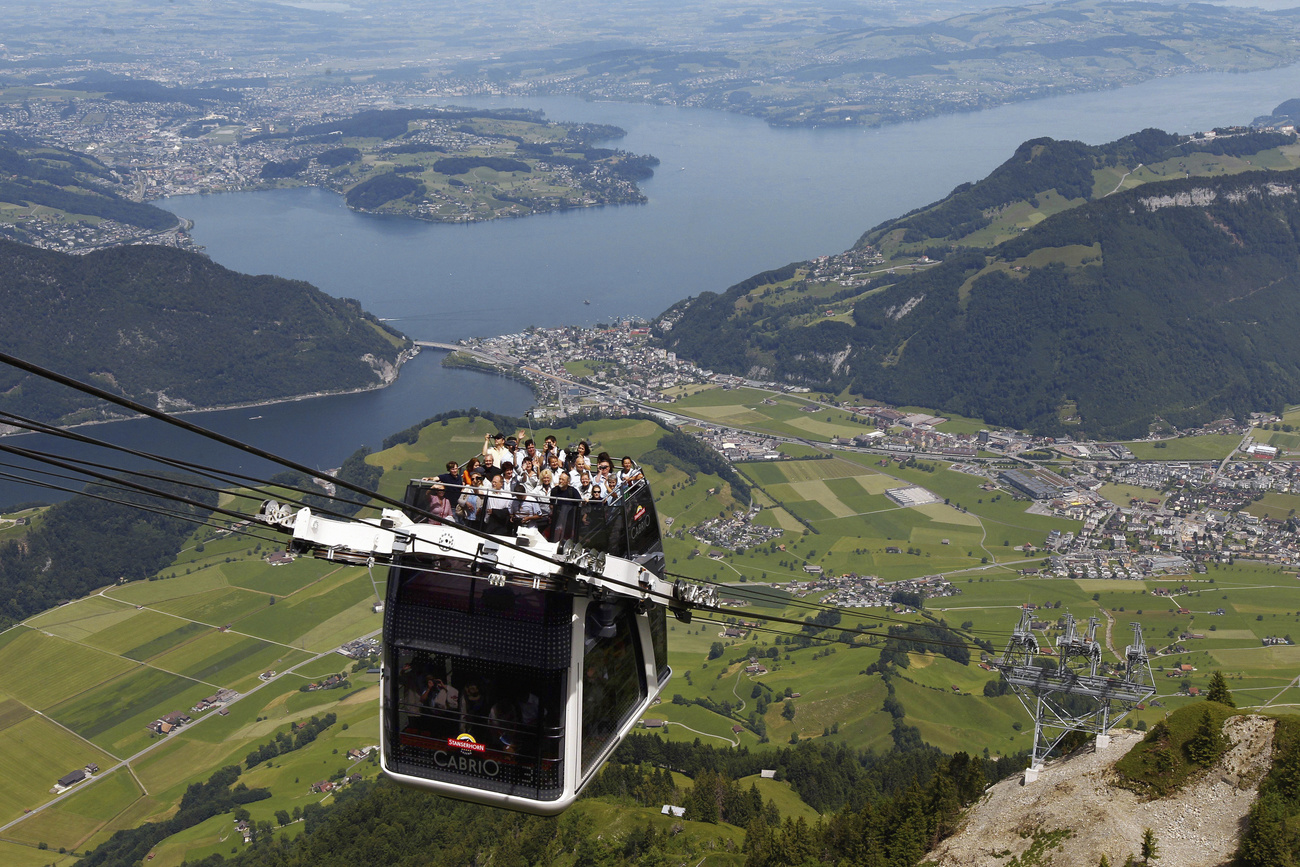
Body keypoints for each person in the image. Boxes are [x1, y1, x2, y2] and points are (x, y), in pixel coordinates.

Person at [549, 470, 582, 541]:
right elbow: (551, 504)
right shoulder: (554, 490)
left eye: (563, 480)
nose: (560, 481)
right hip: (557, 518)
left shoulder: (573, 491)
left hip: (569, 520)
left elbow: (579, 503)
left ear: (568, 482)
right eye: (560, 479)